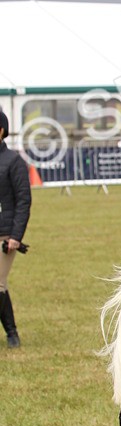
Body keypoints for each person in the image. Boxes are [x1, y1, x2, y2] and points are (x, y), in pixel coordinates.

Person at [0, 110, 32, 349]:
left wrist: (16, 237)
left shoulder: (14, 161)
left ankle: (12, 334)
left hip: (6, 235)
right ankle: (12, 333)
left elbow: (23, 200)